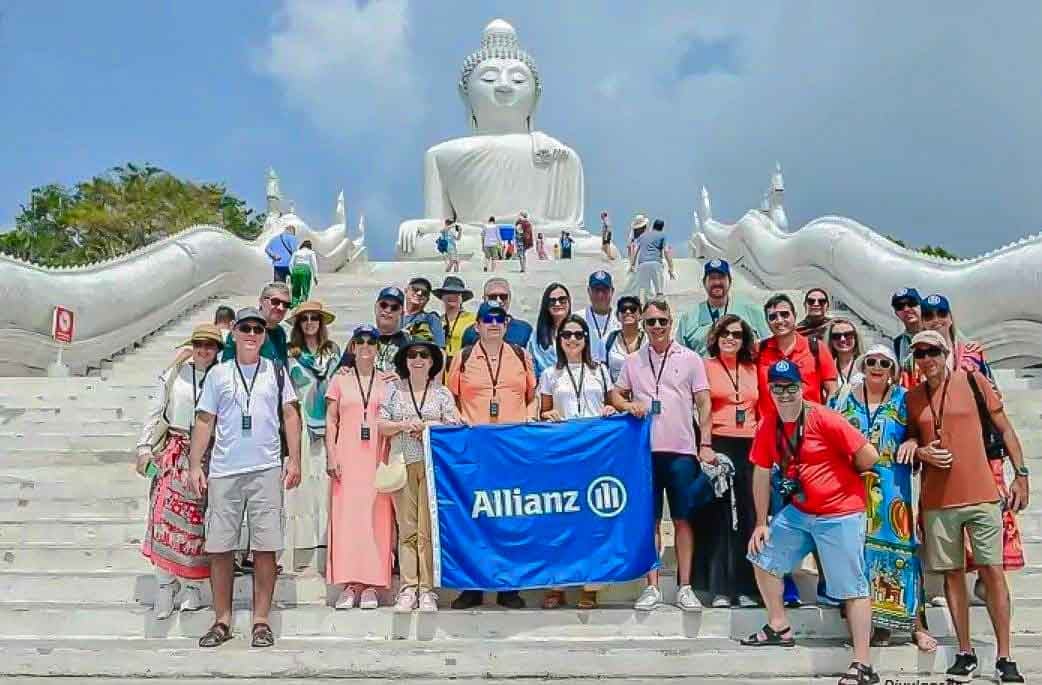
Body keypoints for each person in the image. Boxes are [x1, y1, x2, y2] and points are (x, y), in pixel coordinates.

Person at [742, 360, 881, 685]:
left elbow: (869, 455)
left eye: (791, 387)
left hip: (840, 512)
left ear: (802, 387)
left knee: (852, 585)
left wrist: (846, 479)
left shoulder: (824, 418)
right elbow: (761, 472)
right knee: (762, 556)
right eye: (778, 388)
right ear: (770, 391)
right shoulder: (769, 424)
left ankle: (863, 663)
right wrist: (761, 522)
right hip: (801, 511)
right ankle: (779, 624)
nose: (785, 393)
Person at [905, 330, 1029, 683]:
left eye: (932, 352)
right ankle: (964, 651)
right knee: (952, 576)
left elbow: (1005, 429)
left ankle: (1005, 656)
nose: (926, 359)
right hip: (937, 499)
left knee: (992, 573)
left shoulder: (973, 381)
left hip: (981, 495)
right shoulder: (913, 397)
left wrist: (1021, 475)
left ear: (945, 353)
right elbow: (910, 437)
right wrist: (922, 449)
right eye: (920, 354)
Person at [187, 307, 302, 649]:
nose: (252, 334)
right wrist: (195, 464)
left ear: (264, 335)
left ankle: (261, 620)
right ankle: (222, 619)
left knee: (265, 547)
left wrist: (293, 459)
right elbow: (205, 420)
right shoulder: (219, 374)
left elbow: (291, 415)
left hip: (265, 468)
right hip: (225, 470)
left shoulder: (276, 371)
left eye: (258, 328)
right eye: (246, 328)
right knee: (221, 547)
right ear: (234, 333)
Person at [830, 344, 937, 652]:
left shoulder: (906, 398)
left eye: (885, 363)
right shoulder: (844, 398)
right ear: (864, 365)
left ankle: (916, 626)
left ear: (893, 370)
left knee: (901, 553)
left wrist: (914, 441)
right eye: (872, 361)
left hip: (893, 492)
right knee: (861, 555)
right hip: (853, 490)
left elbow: (921, 431)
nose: (877, 367)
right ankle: (875, 626)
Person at [611, 298, 714, 612]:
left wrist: (705, 443)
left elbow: (704, 402)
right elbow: (616, 394)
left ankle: (685, 586)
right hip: (645, 454)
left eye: (662, 321)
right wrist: (629, 406)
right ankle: (652, 586)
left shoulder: (692, 358)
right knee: (650, 521)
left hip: (682, 450)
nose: (657, 327)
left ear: (672, 322)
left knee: (683, 521)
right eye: (651, 322)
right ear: (642, 324)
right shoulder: (633, 360)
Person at [446, 301, 537, 609]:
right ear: (478, 325)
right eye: (488, 318)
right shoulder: (464, 357)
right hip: (476, 451)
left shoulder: (522, 356)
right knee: (475, 520)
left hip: (512, 451)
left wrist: (528, 424)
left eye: (500, 318)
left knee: (511, 518)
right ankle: (472, 586)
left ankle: (508, 586)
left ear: (507, 323)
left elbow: (532, 397)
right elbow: (451, 398)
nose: (494, 323)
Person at [136, 324, 223, 619]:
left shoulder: (222, 377)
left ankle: (192, 587)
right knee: (162, 519)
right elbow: (155, 408)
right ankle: (164, 585)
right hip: (174, 452)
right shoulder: (174, 374)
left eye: (210, 345)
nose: (203, 350)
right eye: (199, 344)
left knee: (196, 524)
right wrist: (144, 447)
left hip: (207, 454)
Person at [538, 315, 616, 610]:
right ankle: (557, 584)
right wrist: (547, 415)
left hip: (594, 455)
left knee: (591, 522)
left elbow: (613, 401)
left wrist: (613, 407)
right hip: (562, 455)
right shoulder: (549, 374)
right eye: (567, 335)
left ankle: (590, 586)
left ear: (587, 339)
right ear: (559, 340)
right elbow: (542, 411)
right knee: (559, 520)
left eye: (579, 334)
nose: (573, 339)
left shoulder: (601, 371)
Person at [379, 339, 461, 613]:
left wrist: (426, 426)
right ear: (404, 360)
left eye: (424, 355)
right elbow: (380, 424)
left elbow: (454, 424)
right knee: (407, 529)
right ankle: (407, 588)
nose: (417, 359)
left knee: (427, 530)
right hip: (403, 463)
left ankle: (427, 589)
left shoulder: (441, 393)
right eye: (412, 354)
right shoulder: (393, 390)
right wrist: (404, 425)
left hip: (431, 467)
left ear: (431, 362)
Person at [324, 325, 396, 610]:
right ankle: (349, 582)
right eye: (360, 341)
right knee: (347, 519)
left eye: (372, 341)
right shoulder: (339, 380)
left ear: (377, 347)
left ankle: (371, 583)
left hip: (377, 457)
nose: (366, 346)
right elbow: (331, 420)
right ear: (352, 346)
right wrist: (331, 454)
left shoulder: (387, 381)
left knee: (376, 519)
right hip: (348, 456)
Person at [692, 314, 760, 608]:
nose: (730, 339)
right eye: (724, 334)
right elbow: (702, 407)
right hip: (718, 442)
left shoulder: (752, 369)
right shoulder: (706, 367)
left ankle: (745, 587)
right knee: (720, 517)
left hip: (750, 444)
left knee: (747, 515)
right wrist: (705, 444)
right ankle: (720, 587)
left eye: (736, 334)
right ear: (716, 338)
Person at [284, 301, 341, 571]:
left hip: (329, 422)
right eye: (304, 318)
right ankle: (304, 542)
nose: (309, 323)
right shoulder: (290, 354)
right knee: (305, 484)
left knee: (325, 483)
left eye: (314, 318)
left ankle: (327, 538)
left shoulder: (333, 352)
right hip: (303, 423)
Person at [757, 294, 839, 418]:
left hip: (808, 426)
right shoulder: (759, 350)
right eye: (773, 317)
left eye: (785, 314)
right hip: (770, 428)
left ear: (794, 316)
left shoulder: (816, 348)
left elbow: (832, 390)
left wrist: (825, 419)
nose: (779, 320)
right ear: (767, 322)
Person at [677, 259, 768, 356]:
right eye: (712, 278)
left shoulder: (752, 311)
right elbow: (680, 356)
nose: (717, 282)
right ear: (704, 283)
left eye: (721, 277)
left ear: (730, 281)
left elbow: (768, 347)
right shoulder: (688, 318)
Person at [222, 283, 291, 365]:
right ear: (261, 301)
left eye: (286, 304)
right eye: (275, 302)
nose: (281, 308)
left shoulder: (280, 332)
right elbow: (226, 367)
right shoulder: (243, 330)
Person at [348, 286, 411, 374]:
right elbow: (343, 368)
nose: (388, 310)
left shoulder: (409, 341)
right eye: (383, 305)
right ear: (376, 307)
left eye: (394, 307)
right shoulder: (360, 338)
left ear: (402, 313)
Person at [461, 277, 534, 348]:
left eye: (503, 297)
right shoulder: (471, 332)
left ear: (509, 298)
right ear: (484, 299)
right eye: (492, 297)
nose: (499, 301)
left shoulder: (525, 329)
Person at [528, 282, 572, 378]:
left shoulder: (577, 331)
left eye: (562, 300)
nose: (557, 303)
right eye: (552, 301)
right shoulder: (536, 337)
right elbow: (531, 368)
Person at [575, 271, 621, 363]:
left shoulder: (620, 319)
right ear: (589, 291)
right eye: (596, 290)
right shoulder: (577, 319)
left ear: (612, 291)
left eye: (604, 290)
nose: (600, 295)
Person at [433, 276, 477, 371]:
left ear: (462, 298)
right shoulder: (437, 321)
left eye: (456, 293)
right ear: (442, 297)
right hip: (441, 373)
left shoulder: (473, 320)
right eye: (448, 292)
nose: (452, 296)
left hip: (464, 370)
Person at [628, 217, 676, 297]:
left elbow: (636, 250)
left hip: (642, 264)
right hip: (655, 264)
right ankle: (659, 303)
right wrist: (671, 268)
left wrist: (632, 264)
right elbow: (666, 251)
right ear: (662, 228)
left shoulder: (642, 236)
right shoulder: (662, 235)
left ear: (653, 226)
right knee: (659, 292)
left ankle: (644, 306)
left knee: (644, 292)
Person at [604, 295, 645, 383]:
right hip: (616, 393)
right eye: (623, 309)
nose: (628, 312)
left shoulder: (648, 340)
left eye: (633, 309)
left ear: (641, 315)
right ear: (618, 316)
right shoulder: (608, 339)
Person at [402, 277, 446, 348]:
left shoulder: (432, 320)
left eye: (424, 292)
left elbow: (441, 350)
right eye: (415, 289)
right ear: (406, 290)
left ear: (427, 299)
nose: (419, 293)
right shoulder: (393, 315)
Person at [826, 318, 863, 392]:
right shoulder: (826, 368)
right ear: (831, 340)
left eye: (848, 335)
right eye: (836, 336)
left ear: (856, 337)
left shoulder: (868, 364)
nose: (842, 339)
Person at [890, 287, 922, 364]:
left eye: (912, 303)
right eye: (899, 306)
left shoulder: (936, 335)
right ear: (896, 313)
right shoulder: (898, 342)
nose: (906, 309)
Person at [288, 239, 319, 307]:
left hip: (296, 269)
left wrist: (291, 273)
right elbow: (314, 264)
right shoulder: (311, 252)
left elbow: (290, 264)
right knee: (305, 287)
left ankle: (294, 303)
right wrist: (315, 276)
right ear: (309, 246)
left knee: (295, 288)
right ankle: (303, 303)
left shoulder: (296, 252)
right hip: (305, 269)